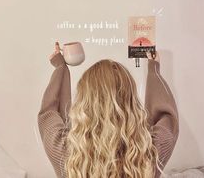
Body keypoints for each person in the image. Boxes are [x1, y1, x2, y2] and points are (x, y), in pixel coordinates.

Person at [37, 42, 179, 178]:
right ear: (131, 101)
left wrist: (60, 68)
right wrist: (154, 70)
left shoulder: (65, 152)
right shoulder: (151, 151)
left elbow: (48, 112)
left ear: (84, 102)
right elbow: (167, 116)